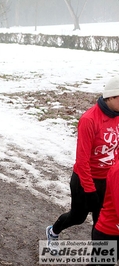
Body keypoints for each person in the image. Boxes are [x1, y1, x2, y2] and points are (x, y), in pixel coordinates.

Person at [46, 75, 119, 251]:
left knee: (101, 221)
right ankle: (53, 231)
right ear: (110, 97)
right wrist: (90, 189)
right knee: (78, 217)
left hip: (108, 180)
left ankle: (100, 258)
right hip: (85, 179)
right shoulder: (89, 119)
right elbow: (82, 160)